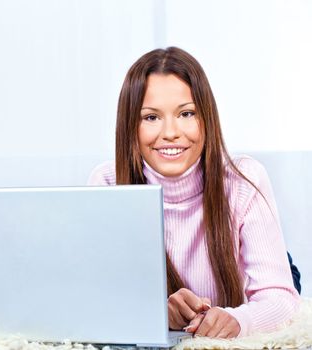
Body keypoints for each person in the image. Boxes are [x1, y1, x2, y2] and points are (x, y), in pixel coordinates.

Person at [88, 47, 300, 338]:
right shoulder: (107, 183)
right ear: (130, 127)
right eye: (151, 117)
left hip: (249, 274)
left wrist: (237, 319)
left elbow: (281, 301)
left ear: (206, 119)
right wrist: (159, 312)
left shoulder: (243, 179)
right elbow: (99, 301)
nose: (171, 132)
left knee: (287, 284)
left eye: (186, 113)